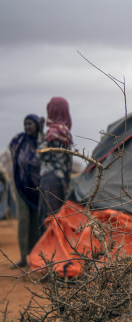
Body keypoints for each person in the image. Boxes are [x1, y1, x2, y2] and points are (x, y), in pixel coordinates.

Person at [9, 114, 42, 267]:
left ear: (36, 125)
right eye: (25, 124)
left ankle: (35, 258)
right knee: (23, 221)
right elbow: (12, 151)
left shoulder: (42, 141)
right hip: (21, 187)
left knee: (36, 223)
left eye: (30, 124)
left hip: (37, 190)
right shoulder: (20, 140)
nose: (27, 127)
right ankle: (23, 257)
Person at [37, 97, 73, 228]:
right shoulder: (65, 132)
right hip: (60, 181)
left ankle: (49, 249)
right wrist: (67, 183)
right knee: (56, 219)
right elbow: (68, 163)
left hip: (49, 180)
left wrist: (40, 133)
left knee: (48, 221)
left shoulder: (53, 132)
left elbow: (41, 154)